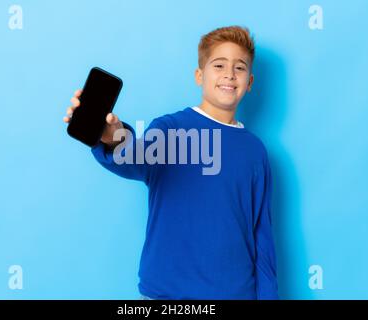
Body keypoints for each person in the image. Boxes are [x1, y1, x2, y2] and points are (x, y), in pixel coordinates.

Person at [63, 25, 279, 300]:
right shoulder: (170, 130)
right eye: (219, 65)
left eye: (239, 67)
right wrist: (111, 136)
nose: (229, 74)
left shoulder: (255, 151)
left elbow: (262, 233)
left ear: (249, 82)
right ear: (199, 75)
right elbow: (133, 158)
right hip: (167, 295)